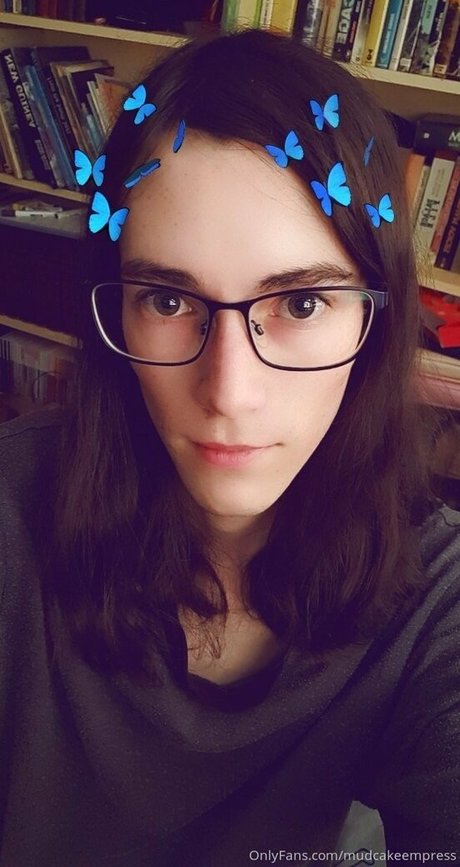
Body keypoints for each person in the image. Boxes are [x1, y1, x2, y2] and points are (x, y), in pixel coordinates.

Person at [0, 26, 459, 867]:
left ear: (376, 314)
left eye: (301, 304)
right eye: (168, 301)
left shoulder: (436, 594)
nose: (229, 392)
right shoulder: (11, 513)